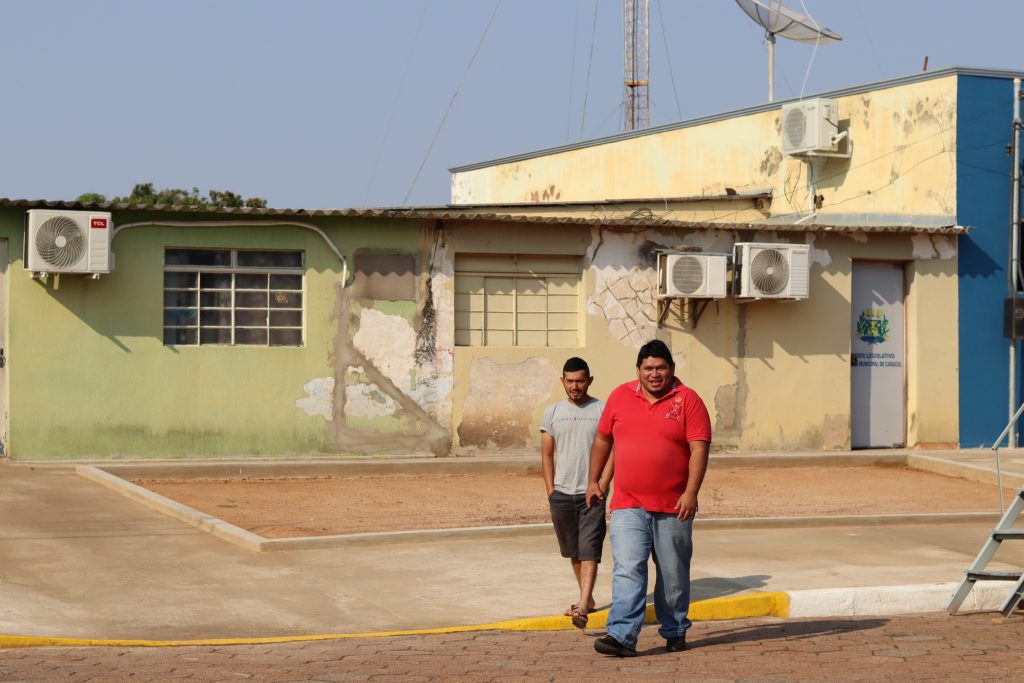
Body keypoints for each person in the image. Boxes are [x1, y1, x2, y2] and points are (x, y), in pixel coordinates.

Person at [586, 340, 711, 657]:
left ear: (671, 369)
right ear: (638, 370)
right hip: (628, 503)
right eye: (648, 368)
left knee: (673, 574)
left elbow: (699, 448)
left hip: (674, 508)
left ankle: (675, 629)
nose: (654, 374)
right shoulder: (619, 396)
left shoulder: (688, 400)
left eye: (661, 368)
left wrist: (691, 492)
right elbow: (603, 439)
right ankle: (622, 635)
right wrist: (594, 481)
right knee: (628, 568)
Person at [541, 356, 614, 630]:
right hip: (561, 494)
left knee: (590, 550)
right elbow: (547, 454)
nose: (575, 386)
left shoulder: (603, 410)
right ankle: (589, 598)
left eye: (580, 381)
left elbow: (613, 452)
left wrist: (602, 485)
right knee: (573, 551)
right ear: (562, 381)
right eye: (569, 381)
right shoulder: (552, 412)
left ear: (589, 381)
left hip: (591, 494)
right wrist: (551, 490)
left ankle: (582, 606)